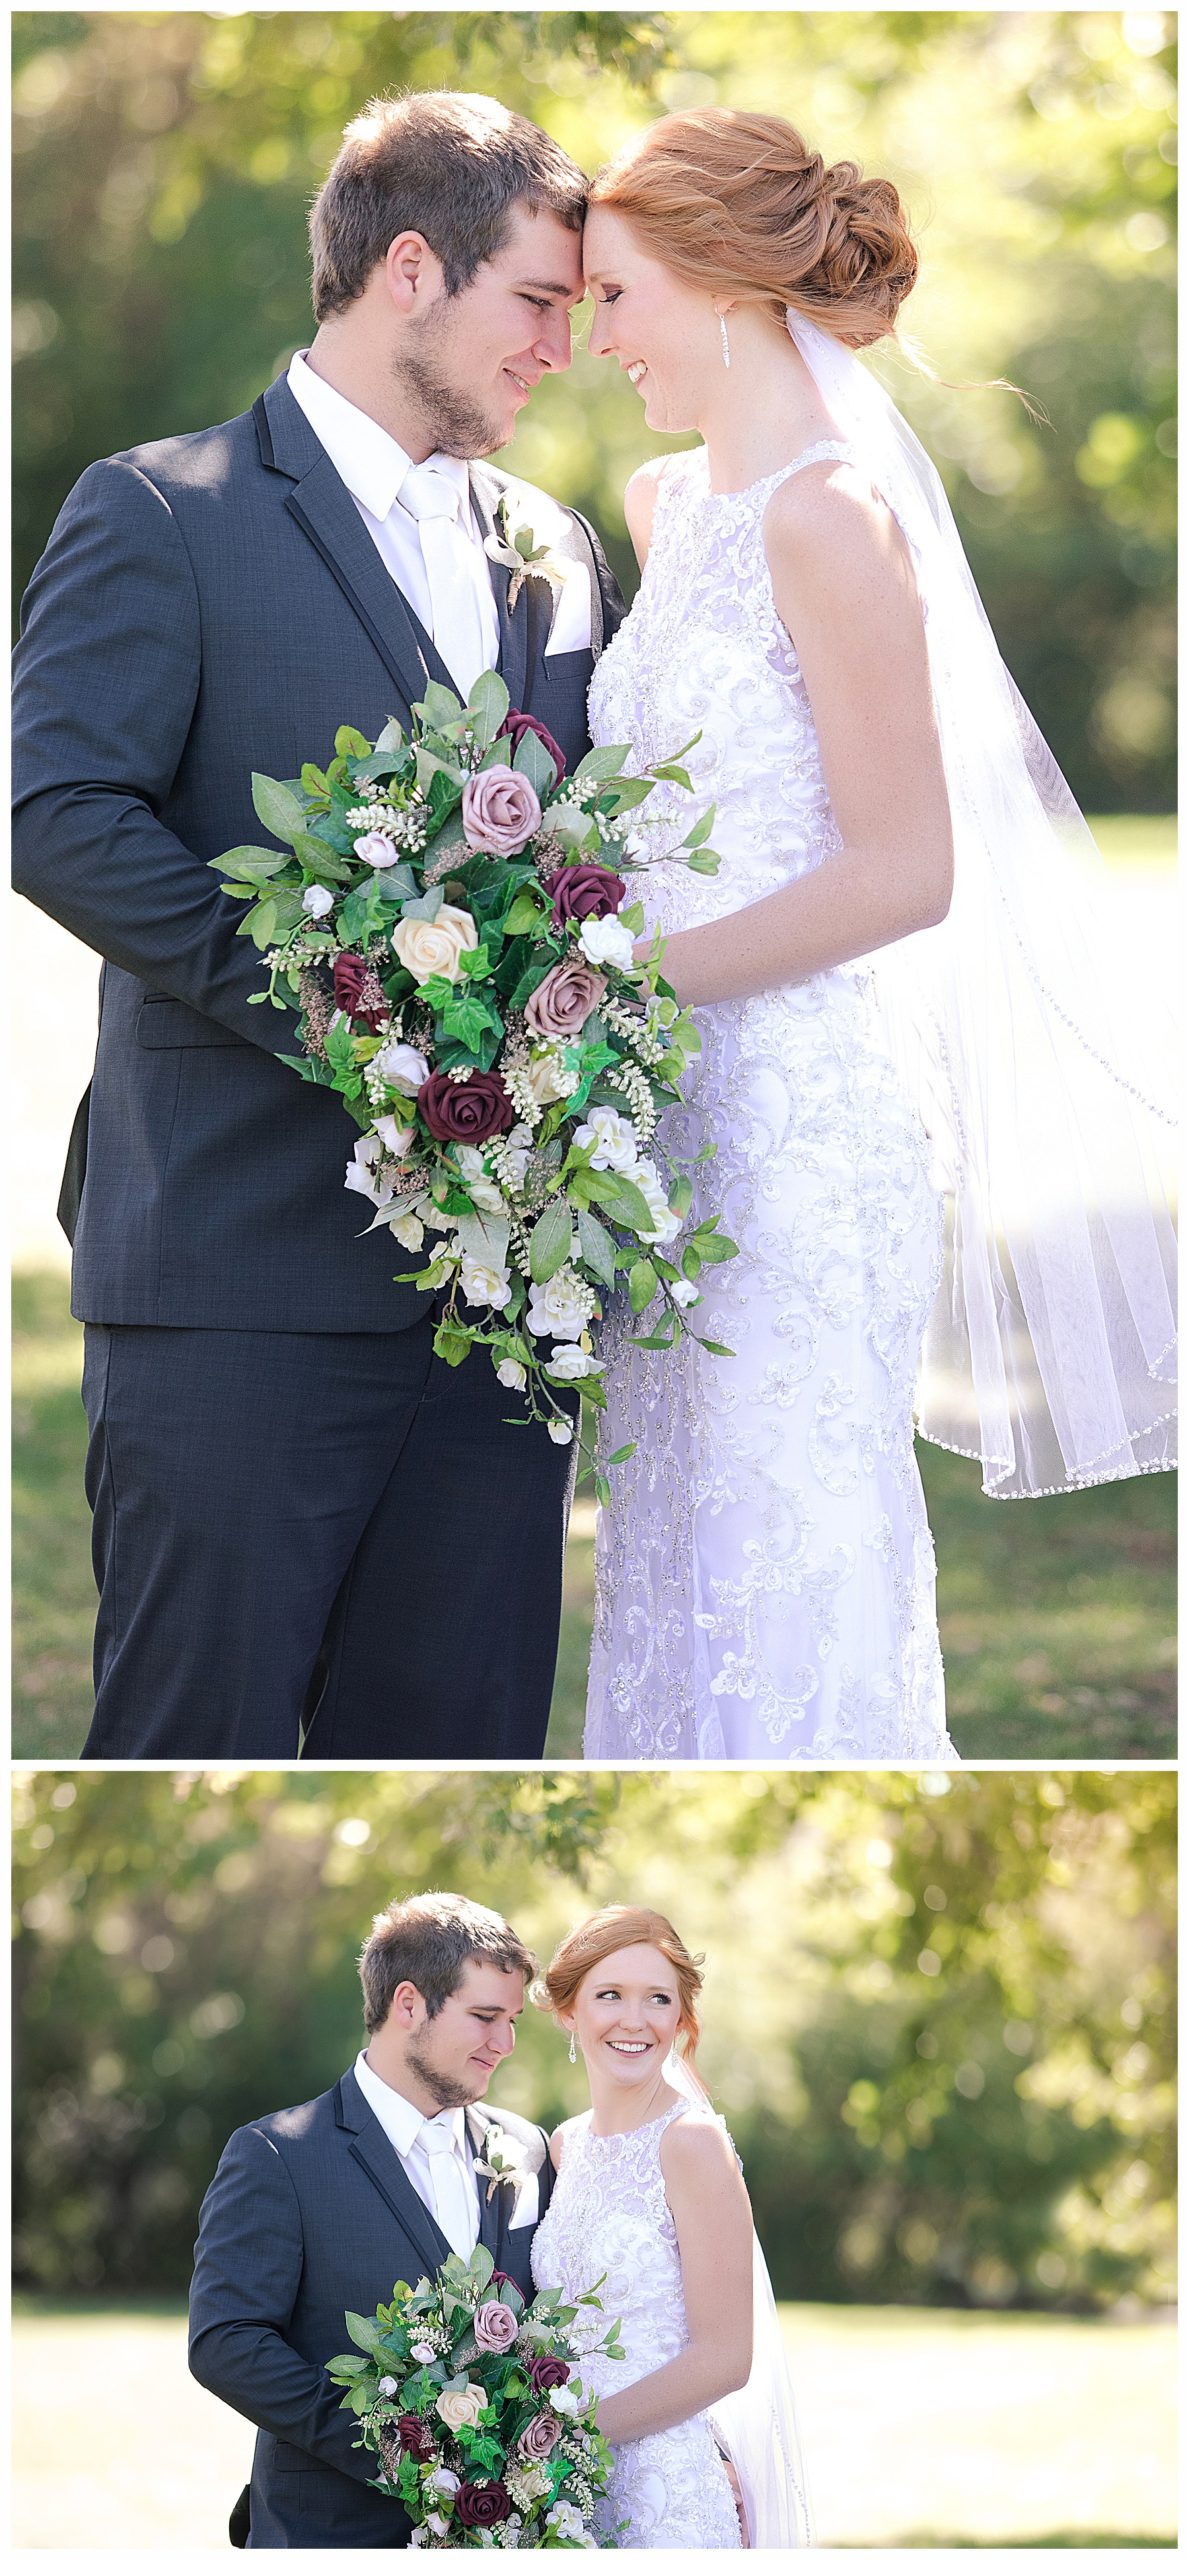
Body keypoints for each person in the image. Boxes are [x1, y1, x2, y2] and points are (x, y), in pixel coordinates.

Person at [11, 91, 624, 1762]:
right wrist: (361, 1025)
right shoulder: (163, 511)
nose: (561, 347)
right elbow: (57, 814)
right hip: (235, 1282)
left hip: (496, 1308)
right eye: (537, 301)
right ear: (408, 269)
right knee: (190, 1735)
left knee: (460, 1744)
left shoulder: (550, 552)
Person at [578, 107, 1177, 1760]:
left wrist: (611, 984)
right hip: (658, 1130)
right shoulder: (654, 503)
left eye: (615, 297)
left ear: (716, 282)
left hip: (795, 1130)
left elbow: (904, 870)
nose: (594, 339)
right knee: (664, 1563)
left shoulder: (829, 516)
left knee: (787, 1556)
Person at [188, 1891, 551, 2550]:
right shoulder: (280, 2154)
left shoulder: (524, 2149)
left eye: (514, 2020)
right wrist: (402, 2450)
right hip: (332, 2530)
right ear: (407, 2005)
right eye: (484, 2017)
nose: (505, 2043)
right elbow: (227, 2342)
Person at [532, 1904, 811, 2549]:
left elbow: (724, 2359)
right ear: (569, 2011)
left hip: (664, 2485)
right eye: (610, 1995)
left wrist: (567, 2434)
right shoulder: (564, 2147)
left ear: (680, 2018)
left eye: (658, 1999)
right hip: (568, 2490)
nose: (635, 2020)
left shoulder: (691, 2143)